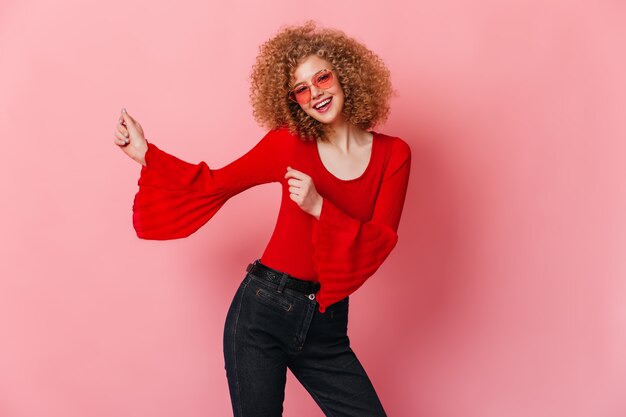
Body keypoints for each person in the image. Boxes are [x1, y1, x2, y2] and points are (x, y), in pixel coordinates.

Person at [113, 21, 411, 417]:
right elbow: (213, 184)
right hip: (262, 312)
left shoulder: (394, 155)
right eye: (301, 88)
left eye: (322, 77)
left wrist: (321, 207)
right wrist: (145, 153)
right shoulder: (287, 143)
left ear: (346, 74)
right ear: (293, 100)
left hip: (327, 324)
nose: (315, 93)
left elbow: (380, 241)